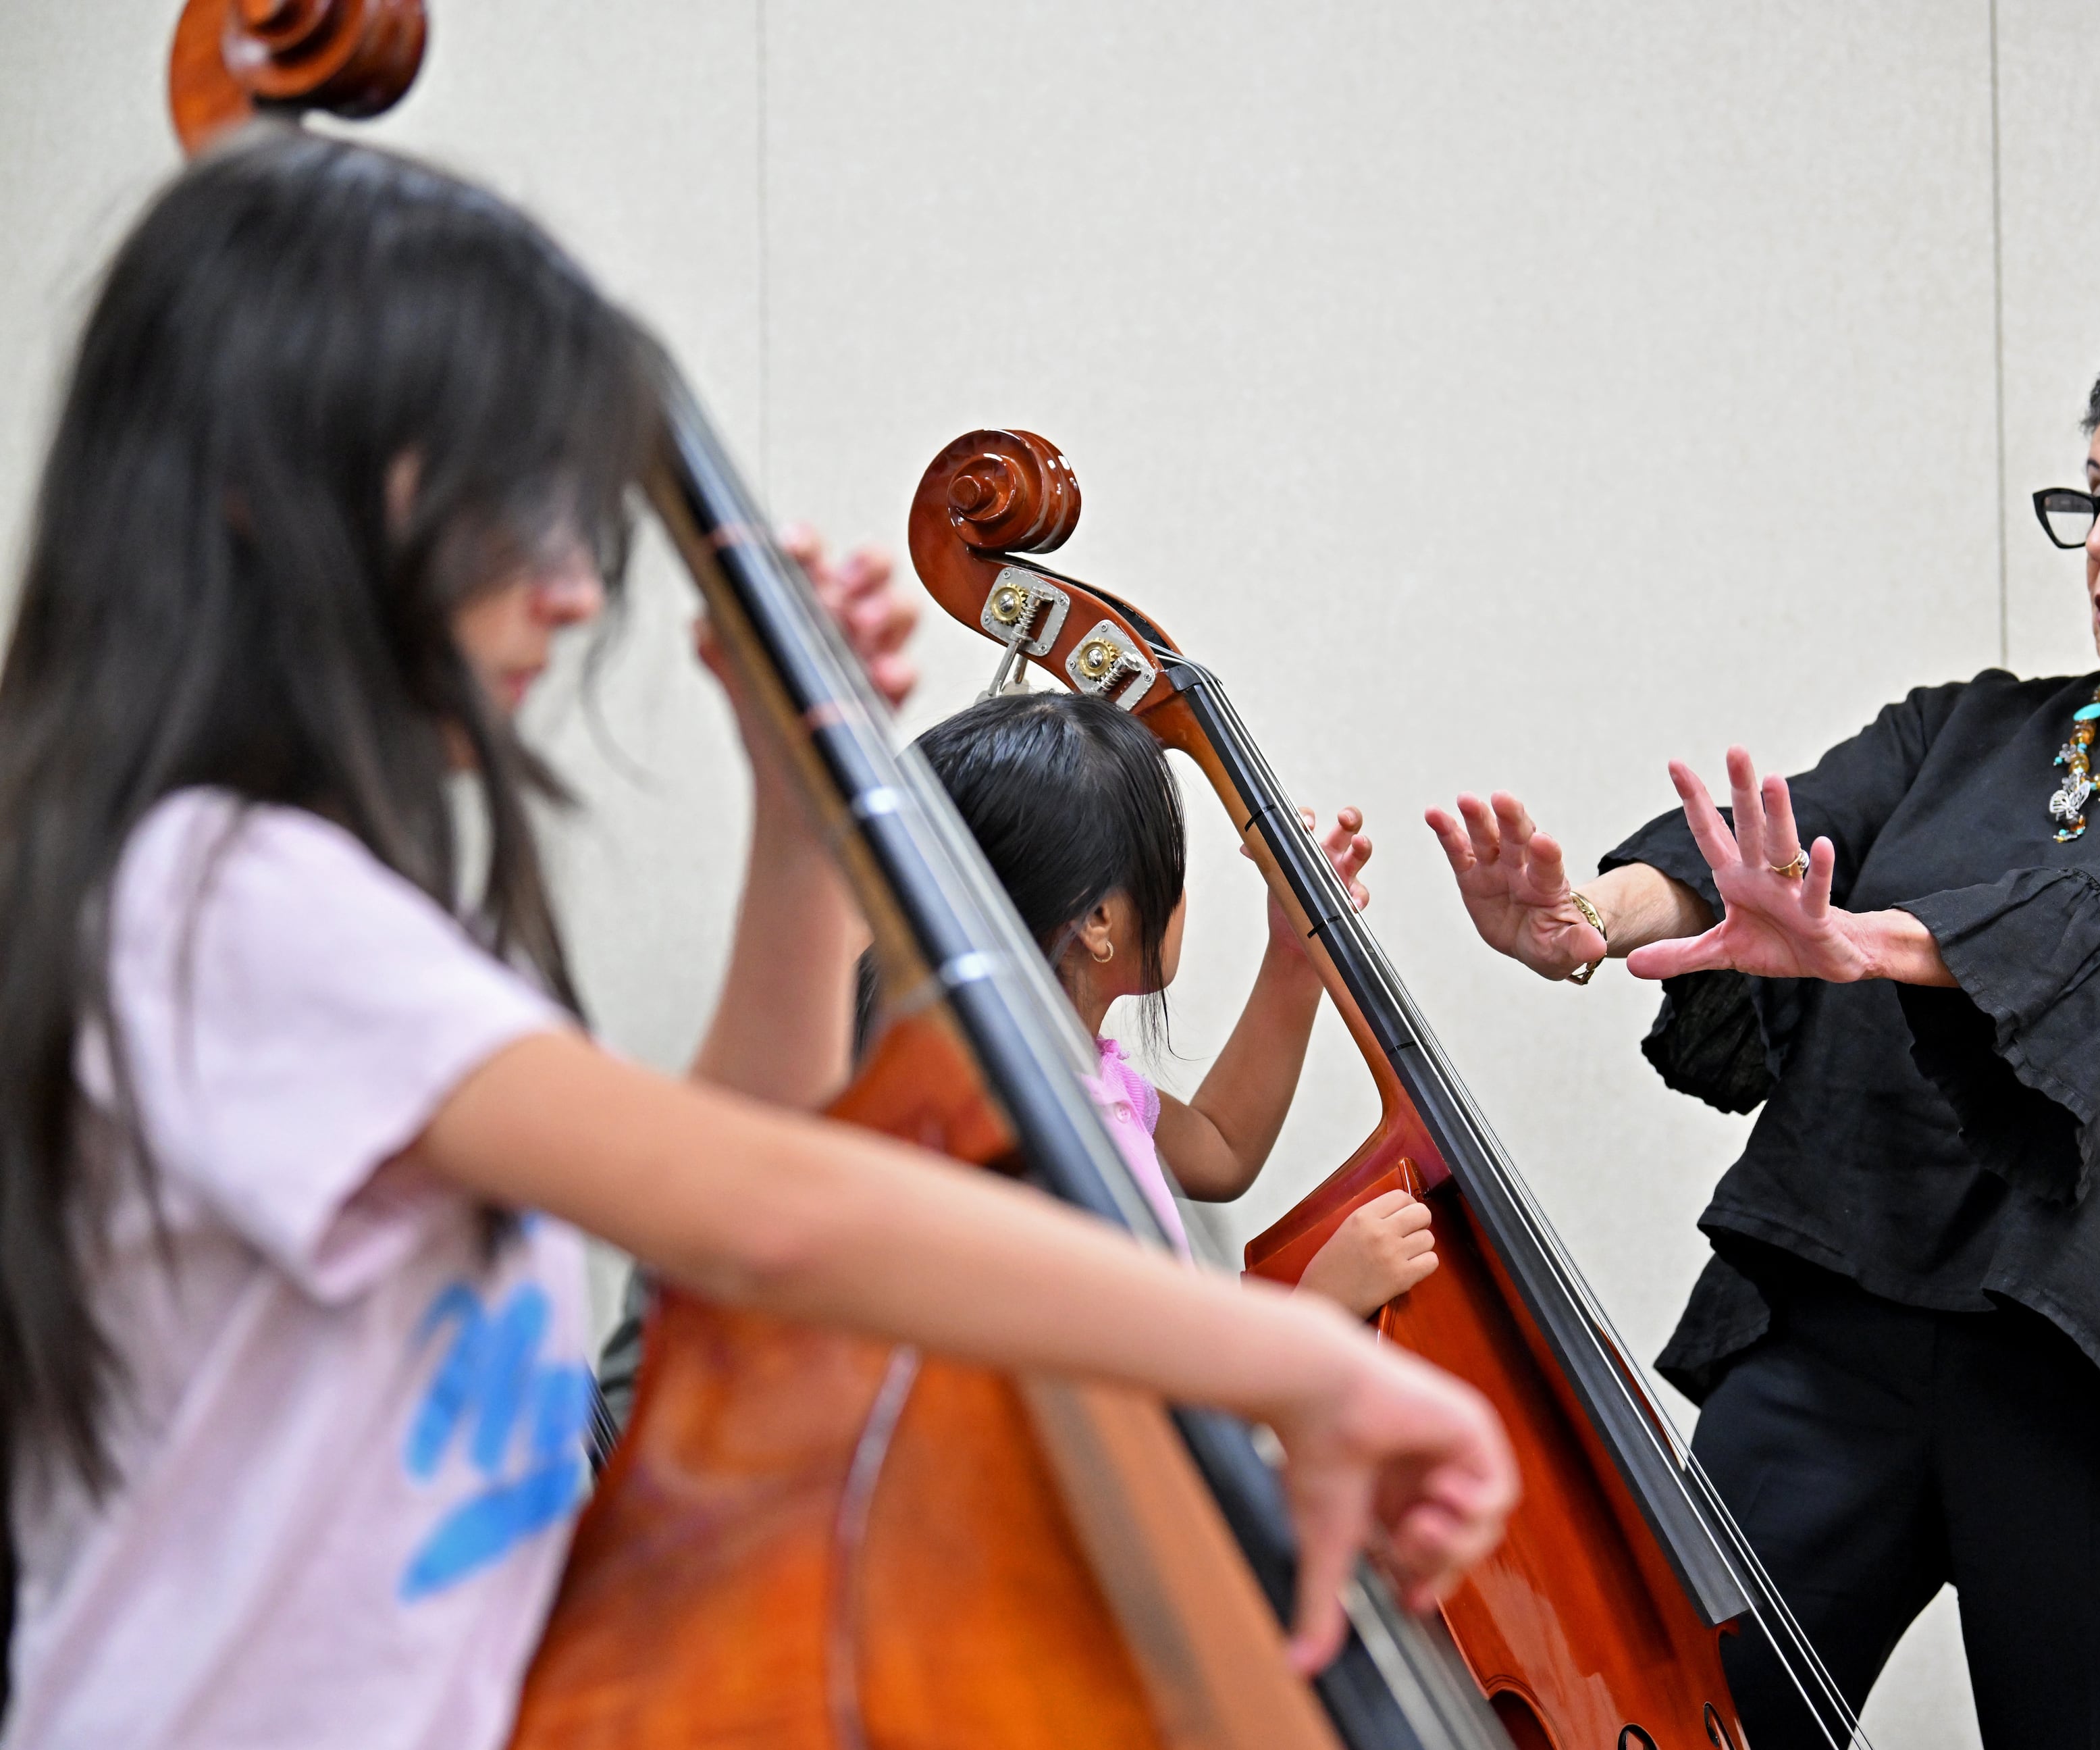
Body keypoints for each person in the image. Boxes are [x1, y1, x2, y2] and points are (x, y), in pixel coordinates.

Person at [0, 128, 1513, 1749]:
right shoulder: (229, 905)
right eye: (513, 503)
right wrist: (1292, 1361)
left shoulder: (320, 901)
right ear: (266, 492)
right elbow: (773, 1218)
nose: (576, 588)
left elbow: (740, 1165)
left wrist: (797, 830)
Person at [1427, 326, 2100, 1748]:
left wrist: (1866, 941)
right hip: (1841, 1312)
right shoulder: (1969, 727)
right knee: (1682, 1714)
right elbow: (1769, 844)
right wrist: (1585, 916)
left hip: (2098, 1372)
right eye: (2090, 496)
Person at [914, 691, 1439, 1316]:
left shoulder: (1080, 1077)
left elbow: (1221, 1147)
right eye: (1169, 868)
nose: (1181, 893)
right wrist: (1319, 1310)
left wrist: (1294, 956)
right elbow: (1149, 1397)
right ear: (1100, 919)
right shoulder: (1049, 1146)